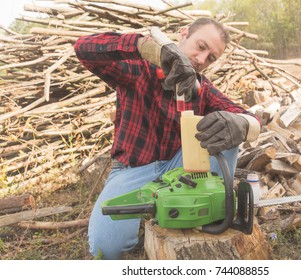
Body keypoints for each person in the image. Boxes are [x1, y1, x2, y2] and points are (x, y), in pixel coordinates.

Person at [74, 18, 261, 259]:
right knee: (106, 247)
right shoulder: (137, 68)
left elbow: (249, 119)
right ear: (183, 34)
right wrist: (146, 47)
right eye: (200, 46)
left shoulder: (201, 88)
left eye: (211, 58)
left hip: (182, 174)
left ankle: (207, 209)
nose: (202, 60)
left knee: (229, 134)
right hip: (133, 170)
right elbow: (84, 48)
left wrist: (243, 123)